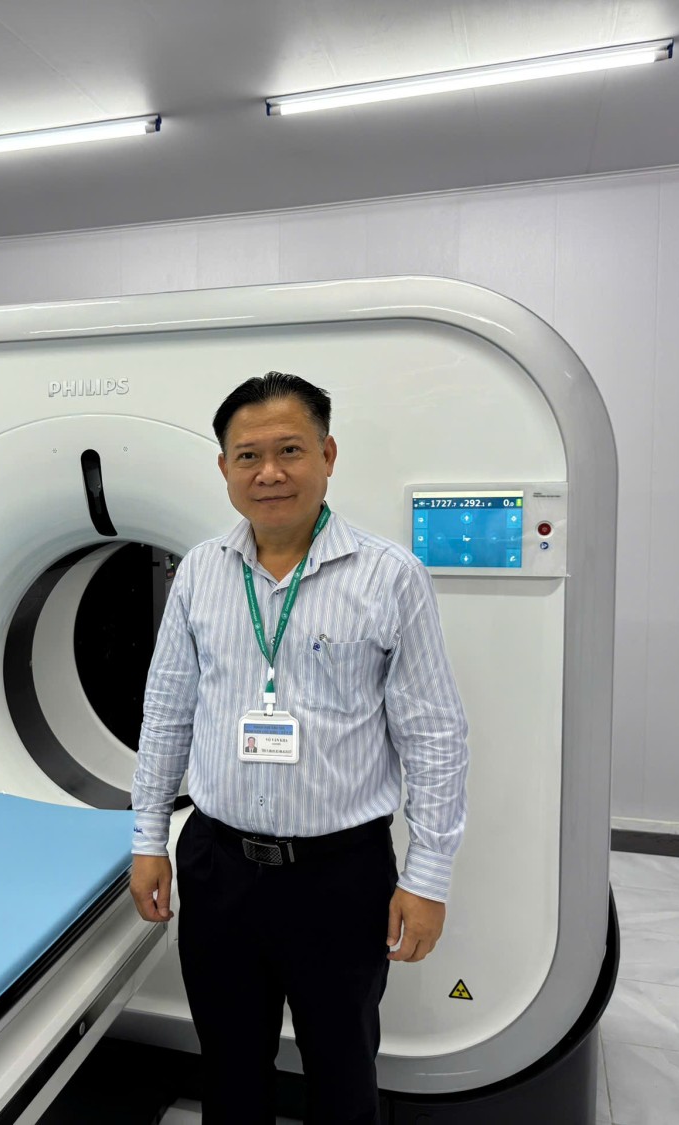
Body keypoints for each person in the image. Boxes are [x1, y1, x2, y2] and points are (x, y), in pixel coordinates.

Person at [129, 371, 470, 1125]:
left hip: (339, 874)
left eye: (290, 450)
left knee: (343, 1068)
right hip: (218, 864)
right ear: (224, 467)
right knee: (229, 1066)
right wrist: (149, 837)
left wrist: (429, 875)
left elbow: (434, 734)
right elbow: (167, 713)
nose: (270, 473)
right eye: (248, 456)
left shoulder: (388, 576)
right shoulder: (199, 573)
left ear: (328, 455)